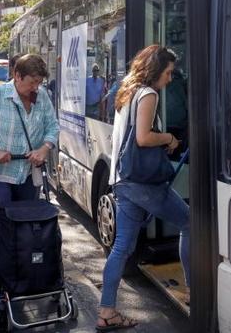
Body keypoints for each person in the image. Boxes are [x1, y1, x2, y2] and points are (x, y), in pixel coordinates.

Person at [97, 45, 188, 331]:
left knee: (122, 247)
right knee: (191, 223)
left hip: (124, 181)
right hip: (143, 184)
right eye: (169, 72)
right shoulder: (148, 94)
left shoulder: (128, 91)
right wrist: (170, 139)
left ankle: (107, 311)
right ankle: (196, 291)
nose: (170, 79)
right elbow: (143, 138)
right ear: (156, 70)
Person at [0, 54, 60, 292]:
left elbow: (52, 126)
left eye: (38, 82)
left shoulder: (41, 95)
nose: (35, 88)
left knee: (28, 225)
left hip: (26, 172)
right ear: (16, 76)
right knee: (0, 225)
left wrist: (44, 148)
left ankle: (23, 275)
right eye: (31, 82)